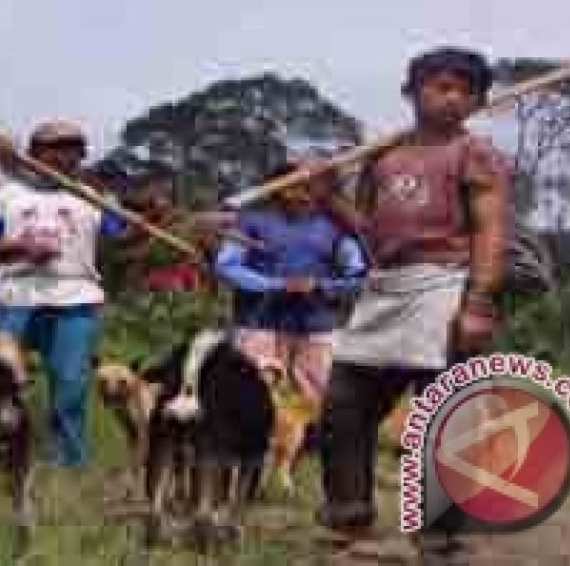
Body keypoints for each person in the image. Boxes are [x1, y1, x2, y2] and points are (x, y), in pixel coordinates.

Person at [315, 47, 511, 562]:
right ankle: (347, 514)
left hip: (445, 282)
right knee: (343, 404)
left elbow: (491, 230)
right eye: (438, 86)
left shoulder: (475, 155)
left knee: (444, 410)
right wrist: (329, 198)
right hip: (384, 287)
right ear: (411, 92)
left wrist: (480, 303)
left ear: (477, 101)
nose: (450, 96)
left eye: (463, 90)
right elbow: (369, 231)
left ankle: (439, 533)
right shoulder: (384, 157)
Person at [0, 120, 124, 468]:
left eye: (73, 149)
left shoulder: (91, 198)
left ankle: (67, 463)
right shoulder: (5, 198)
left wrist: (152, 215)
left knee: (70, 385)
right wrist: (19, 248)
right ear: (34, 154)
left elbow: (123, 238)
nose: (64, 156)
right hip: (12, 298)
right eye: (55, 148)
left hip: (75, 300)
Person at [212, 158, 368, 405]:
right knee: (255, 398)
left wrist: (320, 286)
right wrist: (275, 285)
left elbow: (357, 276)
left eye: (310, 185)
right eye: (296, 184)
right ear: (280, 189)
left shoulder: (335, 229)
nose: (303, 192)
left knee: (327, 402)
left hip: (318, 326)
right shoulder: (251, 222)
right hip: (260, 323)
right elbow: (226, 265)